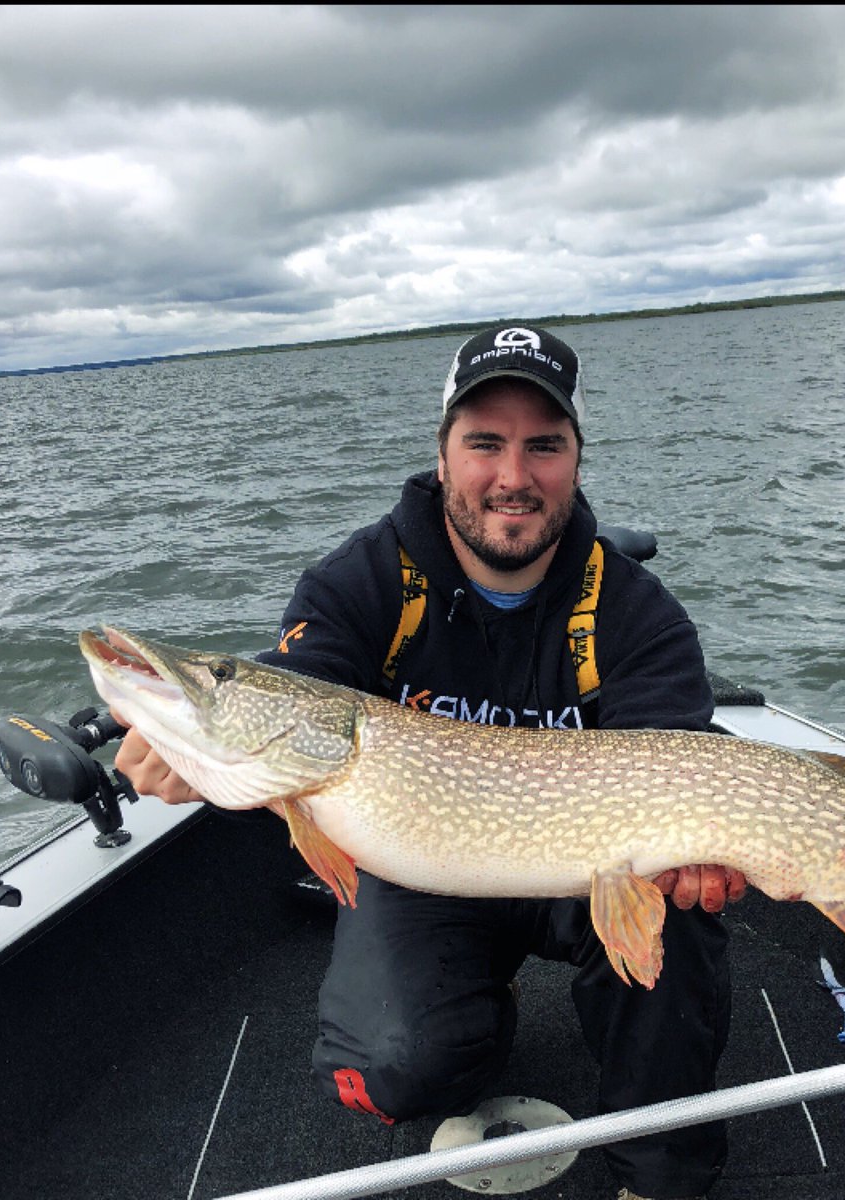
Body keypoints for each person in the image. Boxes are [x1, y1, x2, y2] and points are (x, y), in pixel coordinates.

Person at [115, 324, 745, 1200]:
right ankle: (477, 1021)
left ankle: (658, 1173)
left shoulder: (639, 615)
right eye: (484, 442)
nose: (513, 477)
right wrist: (197, 755)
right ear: (444, 454)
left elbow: (680, 768)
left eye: (544, 446)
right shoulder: (360, 581)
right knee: (396, 1068)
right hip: (424, 869)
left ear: (575, 458)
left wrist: (704, 858)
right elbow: (303, 690)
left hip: (596, 872)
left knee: (682, 931)